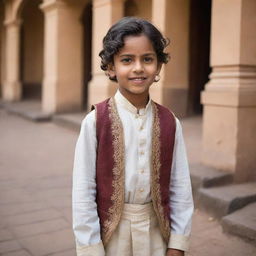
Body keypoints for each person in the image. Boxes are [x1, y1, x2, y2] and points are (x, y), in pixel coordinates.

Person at [72, 17, 194, 256]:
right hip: (109, 237)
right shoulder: (95, 121)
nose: (138, 68)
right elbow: (83, 191)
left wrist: (178, 244)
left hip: (157, 234)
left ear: (158, 66)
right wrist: (91, 248)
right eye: (127, 60)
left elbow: (180, 186)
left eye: (147, 59)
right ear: (111, 67)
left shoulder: (171, 122)